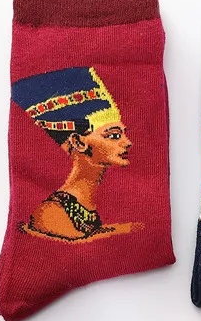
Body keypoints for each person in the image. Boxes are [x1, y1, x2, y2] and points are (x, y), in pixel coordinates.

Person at [11, 66, 141, 241]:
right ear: (78, 142)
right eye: (113, 136)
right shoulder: (52, 212)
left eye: (123, 134)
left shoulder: (94, 203)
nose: (127, 142)